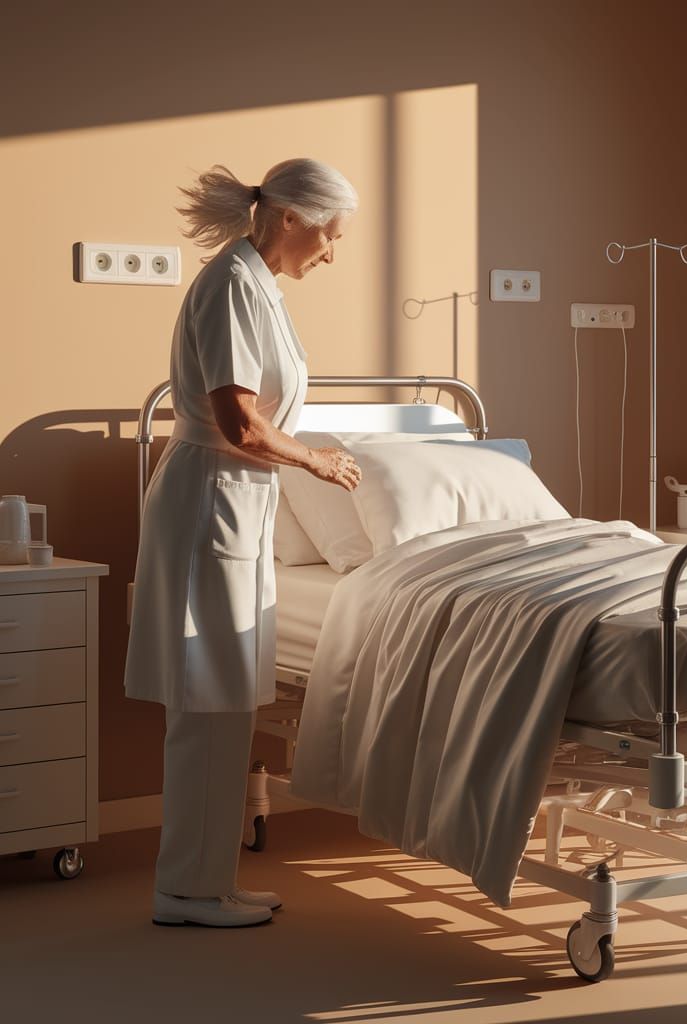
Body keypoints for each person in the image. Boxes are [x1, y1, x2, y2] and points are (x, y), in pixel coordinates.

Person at [124, 158, 361, 927]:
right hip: (210, 505)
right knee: (206, 703)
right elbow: (242, 425)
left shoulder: (257, 286)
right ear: (290, 219)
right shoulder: (231, 286)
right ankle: (185, 891)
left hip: (234, 505)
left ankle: (207, 882)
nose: (332, 252)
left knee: (223, 705)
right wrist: (318, 462)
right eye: (329, 235)